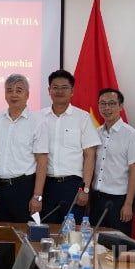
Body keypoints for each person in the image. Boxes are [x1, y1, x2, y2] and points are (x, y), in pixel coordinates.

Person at [41, 70, 100, 223]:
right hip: (46, 185)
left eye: (64, 87)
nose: (59, 91)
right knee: (46, 230)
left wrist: (85, 189)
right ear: (49, 90)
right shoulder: (39, 118)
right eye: (55, 87)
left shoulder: (83, 118)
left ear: (72, 91)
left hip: (73, 186)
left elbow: (90, 155)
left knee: (72, 232)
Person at [0, 74, 48, 223]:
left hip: (24, 188)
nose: (13, 94)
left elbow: (42, 161)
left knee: (23, 233)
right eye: (9, 90)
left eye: (19, 90)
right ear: (5, 94)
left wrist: (37, 196)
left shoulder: (37, 121)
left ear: (27, 94)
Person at [91, 88, 135, 237]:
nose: (106, 108)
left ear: (121, 106)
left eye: (112, 103)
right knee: (95, 243)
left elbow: (134, 170)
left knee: (118, 246)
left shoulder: (131, 135)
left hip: (119, 201)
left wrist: (128, 204)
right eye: (102, 104)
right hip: (97, 199)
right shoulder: (96, 133)